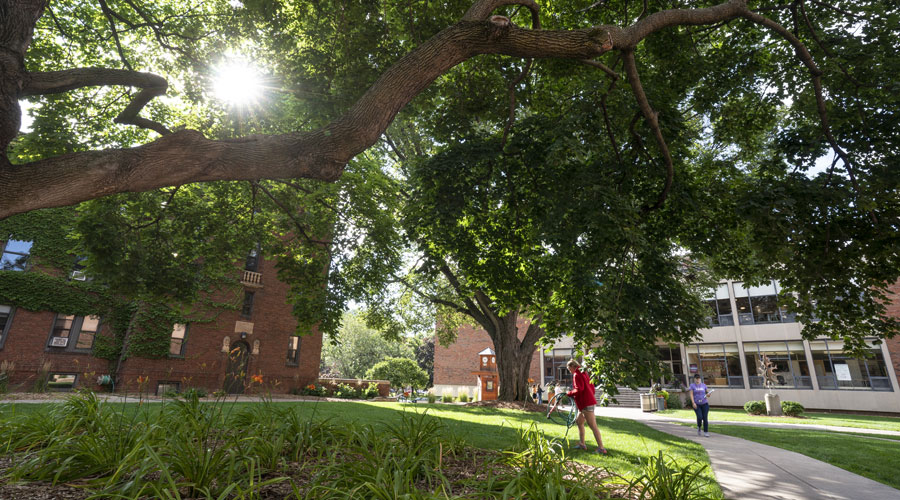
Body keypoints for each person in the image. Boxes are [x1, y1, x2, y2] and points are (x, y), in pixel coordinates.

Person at [565, 359, 607, 454]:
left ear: (572, 367)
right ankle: (582, 444)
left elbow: (579, 389)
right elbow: (591, 387)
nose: (570, 372)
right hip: (586, 402)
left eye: (569, 369)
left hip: (586, 403)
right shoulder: (584, 372)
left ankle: (601, 448)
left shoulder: (576, 374)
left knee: (593, 426)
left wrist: (569, 393)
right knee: (579, 422)